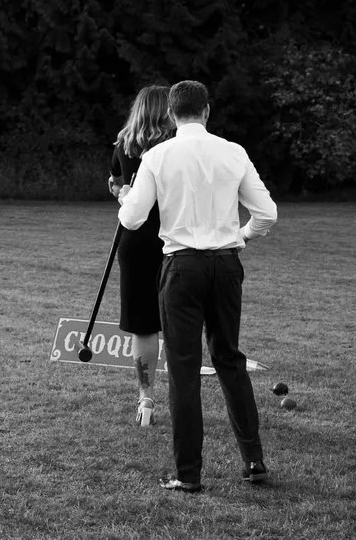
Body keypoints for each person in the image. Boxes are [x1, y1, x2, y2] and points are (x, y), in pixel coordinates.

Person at [115, 79, 278, 493]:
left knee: (184, 369)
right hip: (225, 266)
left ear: (171, 114)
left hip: (181, 267)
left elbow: (132, 220)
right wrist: (240, 235)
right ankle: (254, 461)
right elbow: (267, 213)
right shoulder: (233, 151)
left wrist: (126, 196)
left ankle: (188, 473)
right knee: (229, 360)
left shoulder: (156, 155)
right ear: (207, 111)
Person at [106, 85, 175, 427]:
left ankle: (146, 398)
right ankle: (181, 396)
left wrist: (119, 191)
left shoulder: (124, 143)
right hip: (173, 240)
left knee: (144, 328)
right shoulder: (177, 146)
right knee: (178, 322)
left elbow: (119, 185)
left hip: (134, 241)